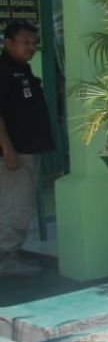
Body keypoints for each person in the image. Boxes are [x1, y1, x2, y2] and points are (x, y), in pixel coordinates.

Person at [0, 21, 54, 277]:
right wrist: (8, 150)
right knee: (15, 204)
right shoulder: (4, 71)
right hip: (15, 153)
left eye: (34, 43)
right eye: (25, 42)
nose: (31, 48)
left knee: (20, 202)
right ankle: (7, 257)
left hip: (29, 149)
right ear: (8, 43)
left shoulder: (23, 69)